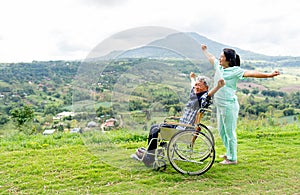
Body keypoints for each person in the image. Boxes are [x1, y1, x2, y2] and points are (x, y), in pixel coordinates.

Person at [201, 44, 280, 165]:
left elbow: (252, 73)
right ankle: (229, 152)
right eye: (220, 56)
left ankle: (232, 158)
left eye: (222, 57)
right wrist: (205, 50)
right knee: (222, 131)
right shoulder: (220, 67)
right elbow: (211, 58)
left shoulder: (235, 71)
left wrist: (269, 75)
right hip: (220, 106)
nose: (220, 58)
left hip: (229, 106)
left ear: (229, 60)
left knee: (229, 132)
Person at [132, 72, 225, 167]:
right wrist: (192, 78)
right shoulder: (195, 94)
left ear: (206, 87)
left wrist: (218, 86)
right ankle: (151, 153)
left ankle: (149, 158)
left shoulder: (203, 97)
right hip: (181, 125)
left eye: (199, 85)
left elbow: (209, 95)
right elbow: (193, 86)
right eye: (196, 85)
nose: (196, 87)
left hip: (184, 129)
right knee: (154, 127)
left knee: (155, 129)